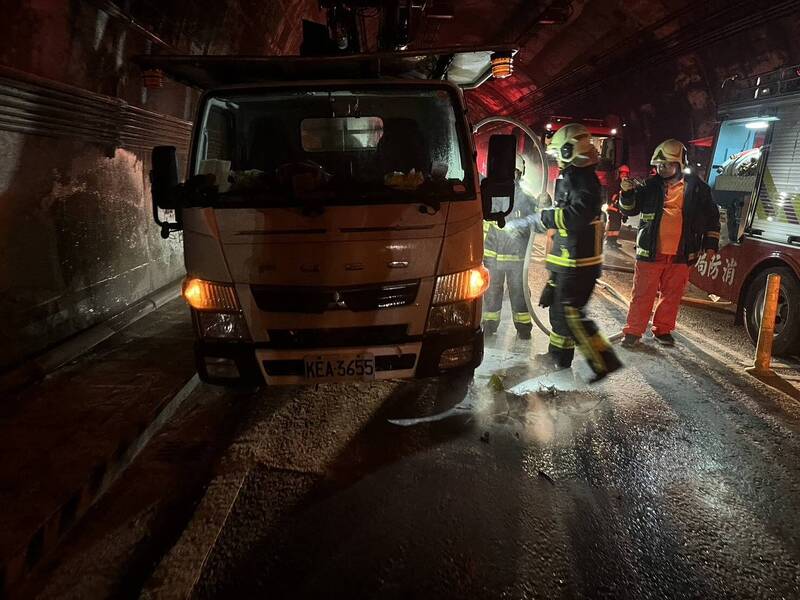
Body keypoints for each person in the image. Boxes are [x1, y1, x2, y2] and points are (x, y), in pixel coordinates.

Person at [506, 124, 622, 382]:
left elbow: (572, 218)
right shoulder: (571, 179)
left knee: (571, 315)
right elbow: (564, 232)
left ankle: (604, 359)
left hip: (579, 267)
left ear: (571, 151)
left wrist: (537, 219)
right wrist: (552, 279)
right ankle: (558, 357)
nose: (557, 158)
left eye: (560, 153)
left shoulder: (585, 183)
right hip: (567, 263)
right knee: (559, 315)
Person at [619, 139, 720, 348]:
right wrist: (627, 193)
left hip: (682, 254)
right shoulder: (649, 185)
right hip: (650, 252)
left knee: (672, 296)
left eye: (667, 164)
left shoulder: (698, 189)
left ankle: (663, 329)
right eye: (659, 165)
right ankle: (633, 331)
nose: (662, 169)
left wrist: (711, 244)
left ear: (680, 164)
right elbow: (630, 210)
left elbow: (711, 217)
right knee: (642, 295)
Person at [483, 154, 536, 339]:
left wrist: (543, 206)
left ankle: (523, 327)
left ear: (519, 174)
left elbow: (538, 223)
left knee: (519, 293)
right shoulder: (489, 194)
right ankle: (489, 324)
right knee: (491, 292)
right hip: (492, 257)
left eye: (514, 172)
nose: (510, 176)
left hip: (516, 259)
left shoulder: (527, 199)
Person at [605, 164, 630, 248]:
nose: (624, 175)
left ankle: (613, 241)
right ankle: (609, 241)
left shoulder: (625, 184)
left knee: (617, 225)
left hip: (619, 208)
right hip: (613, 207)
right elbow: (611, 194)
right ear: (619, 174)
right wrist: (611, 204)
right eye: (623, 173)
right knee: (613, 224)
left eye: (626, 174)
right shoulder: (615, 183)